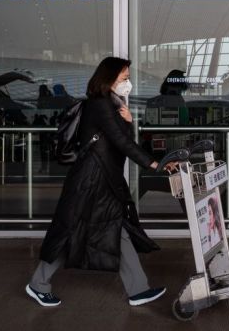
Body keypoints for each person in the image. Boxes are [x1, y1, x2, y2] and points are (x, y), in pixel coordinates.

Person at [26, 57, 174, 308]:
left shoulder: (110, 104)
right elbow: (122, 143)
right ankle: (38, 284)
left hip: (102, 178)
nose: (128, 83)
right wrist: (156, 165)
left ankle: (138, 289)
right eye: (125, 78)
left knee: (117, 228)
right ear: (110, 78)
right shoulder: (100, 105)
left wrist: (128, 122)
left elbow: (118, 142)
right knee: (72, 229)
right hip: (91, 181)